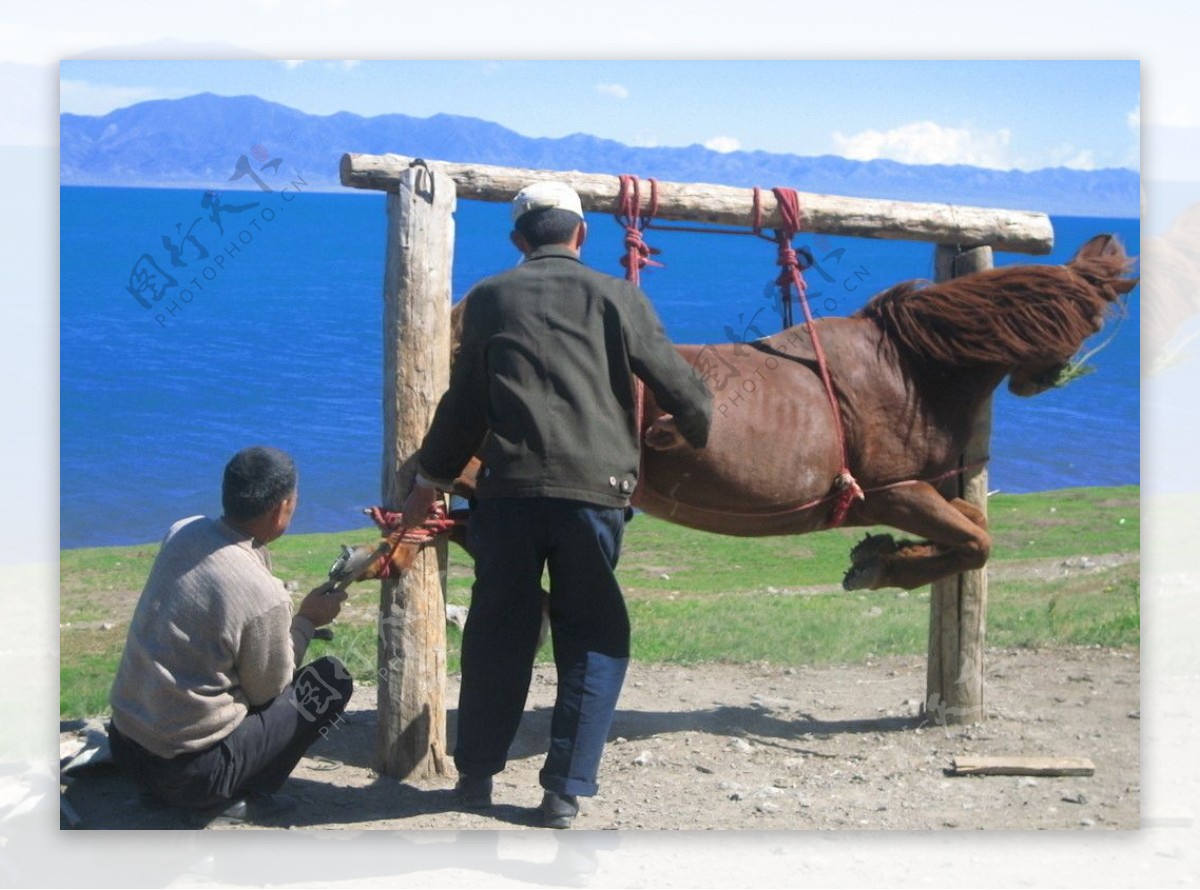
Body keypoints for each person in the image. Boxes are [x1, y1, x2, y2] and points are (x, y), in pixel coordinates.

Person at [401, 181, 713, 828]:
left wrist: (428, 479)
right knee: (594, 635)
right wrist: (688, 429)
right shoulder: (619, 296)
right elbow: (684, 389)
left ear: (520, 241)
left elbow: (463, 407)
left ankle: (476, 778)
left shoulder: (489, 298)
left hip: (508, 495)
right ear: (582, 234)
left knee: (497, 632)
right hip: (596, 496)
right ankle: (563, 793)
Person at [107, 445, 352, 824]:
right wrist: (306, 621)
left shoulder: (182, 531)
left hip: (126, 745)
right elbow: (268, 690)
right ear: (282, 507)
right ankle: (241, 796)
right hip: (192, 774)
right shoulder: (263, 593)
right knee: (330, 681)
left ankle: (163, 788)